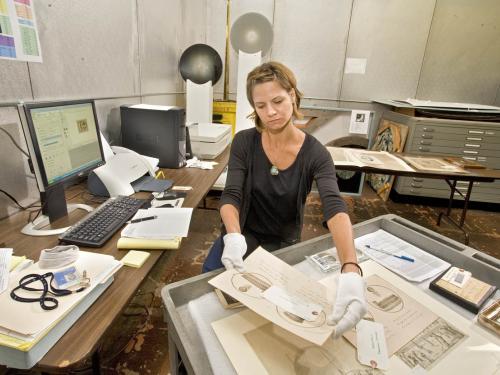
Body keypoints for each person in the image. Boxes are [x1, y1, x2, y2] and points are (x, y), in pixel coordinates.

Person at [202, 61, 366, 338]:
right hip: (238, 238)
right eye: (261, 105)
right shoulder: (244, 142)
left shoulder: (315, 154)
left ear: (293, 95)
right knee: (210, 306)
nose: (271, 112)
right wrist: (232, 236)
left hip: (281, 246)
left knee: (265, 325)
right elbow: (232, 194)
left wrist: (350, 266)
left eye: (277, 100)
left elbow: (334, 207)